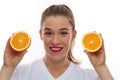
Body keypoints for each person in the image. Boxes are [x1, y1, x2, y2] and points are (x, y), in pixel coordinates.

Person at [0, 4, 114, 80]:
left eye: (63, 33)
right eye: (49, 33)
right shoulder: (20, 75)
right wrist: (7, 67)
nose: (55, 41)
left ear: (73, 35)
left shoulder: (89, 77)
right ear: (41, 34)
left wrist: (101, 67)